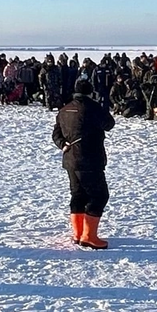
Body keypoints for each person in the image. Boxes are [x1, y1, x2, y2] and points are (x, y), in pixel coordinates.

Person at [54, 76, 116, 248]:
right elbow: (109, 124)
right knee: (99, 196)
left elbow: (56, 134)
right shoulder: (93, 108)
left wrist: (62, 144)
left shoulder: (64, 110)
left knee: (78, 195)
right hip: (90, 158)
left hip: (70, 160)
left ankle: (78, 233)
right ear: (90, 92)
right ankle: (89, 236)